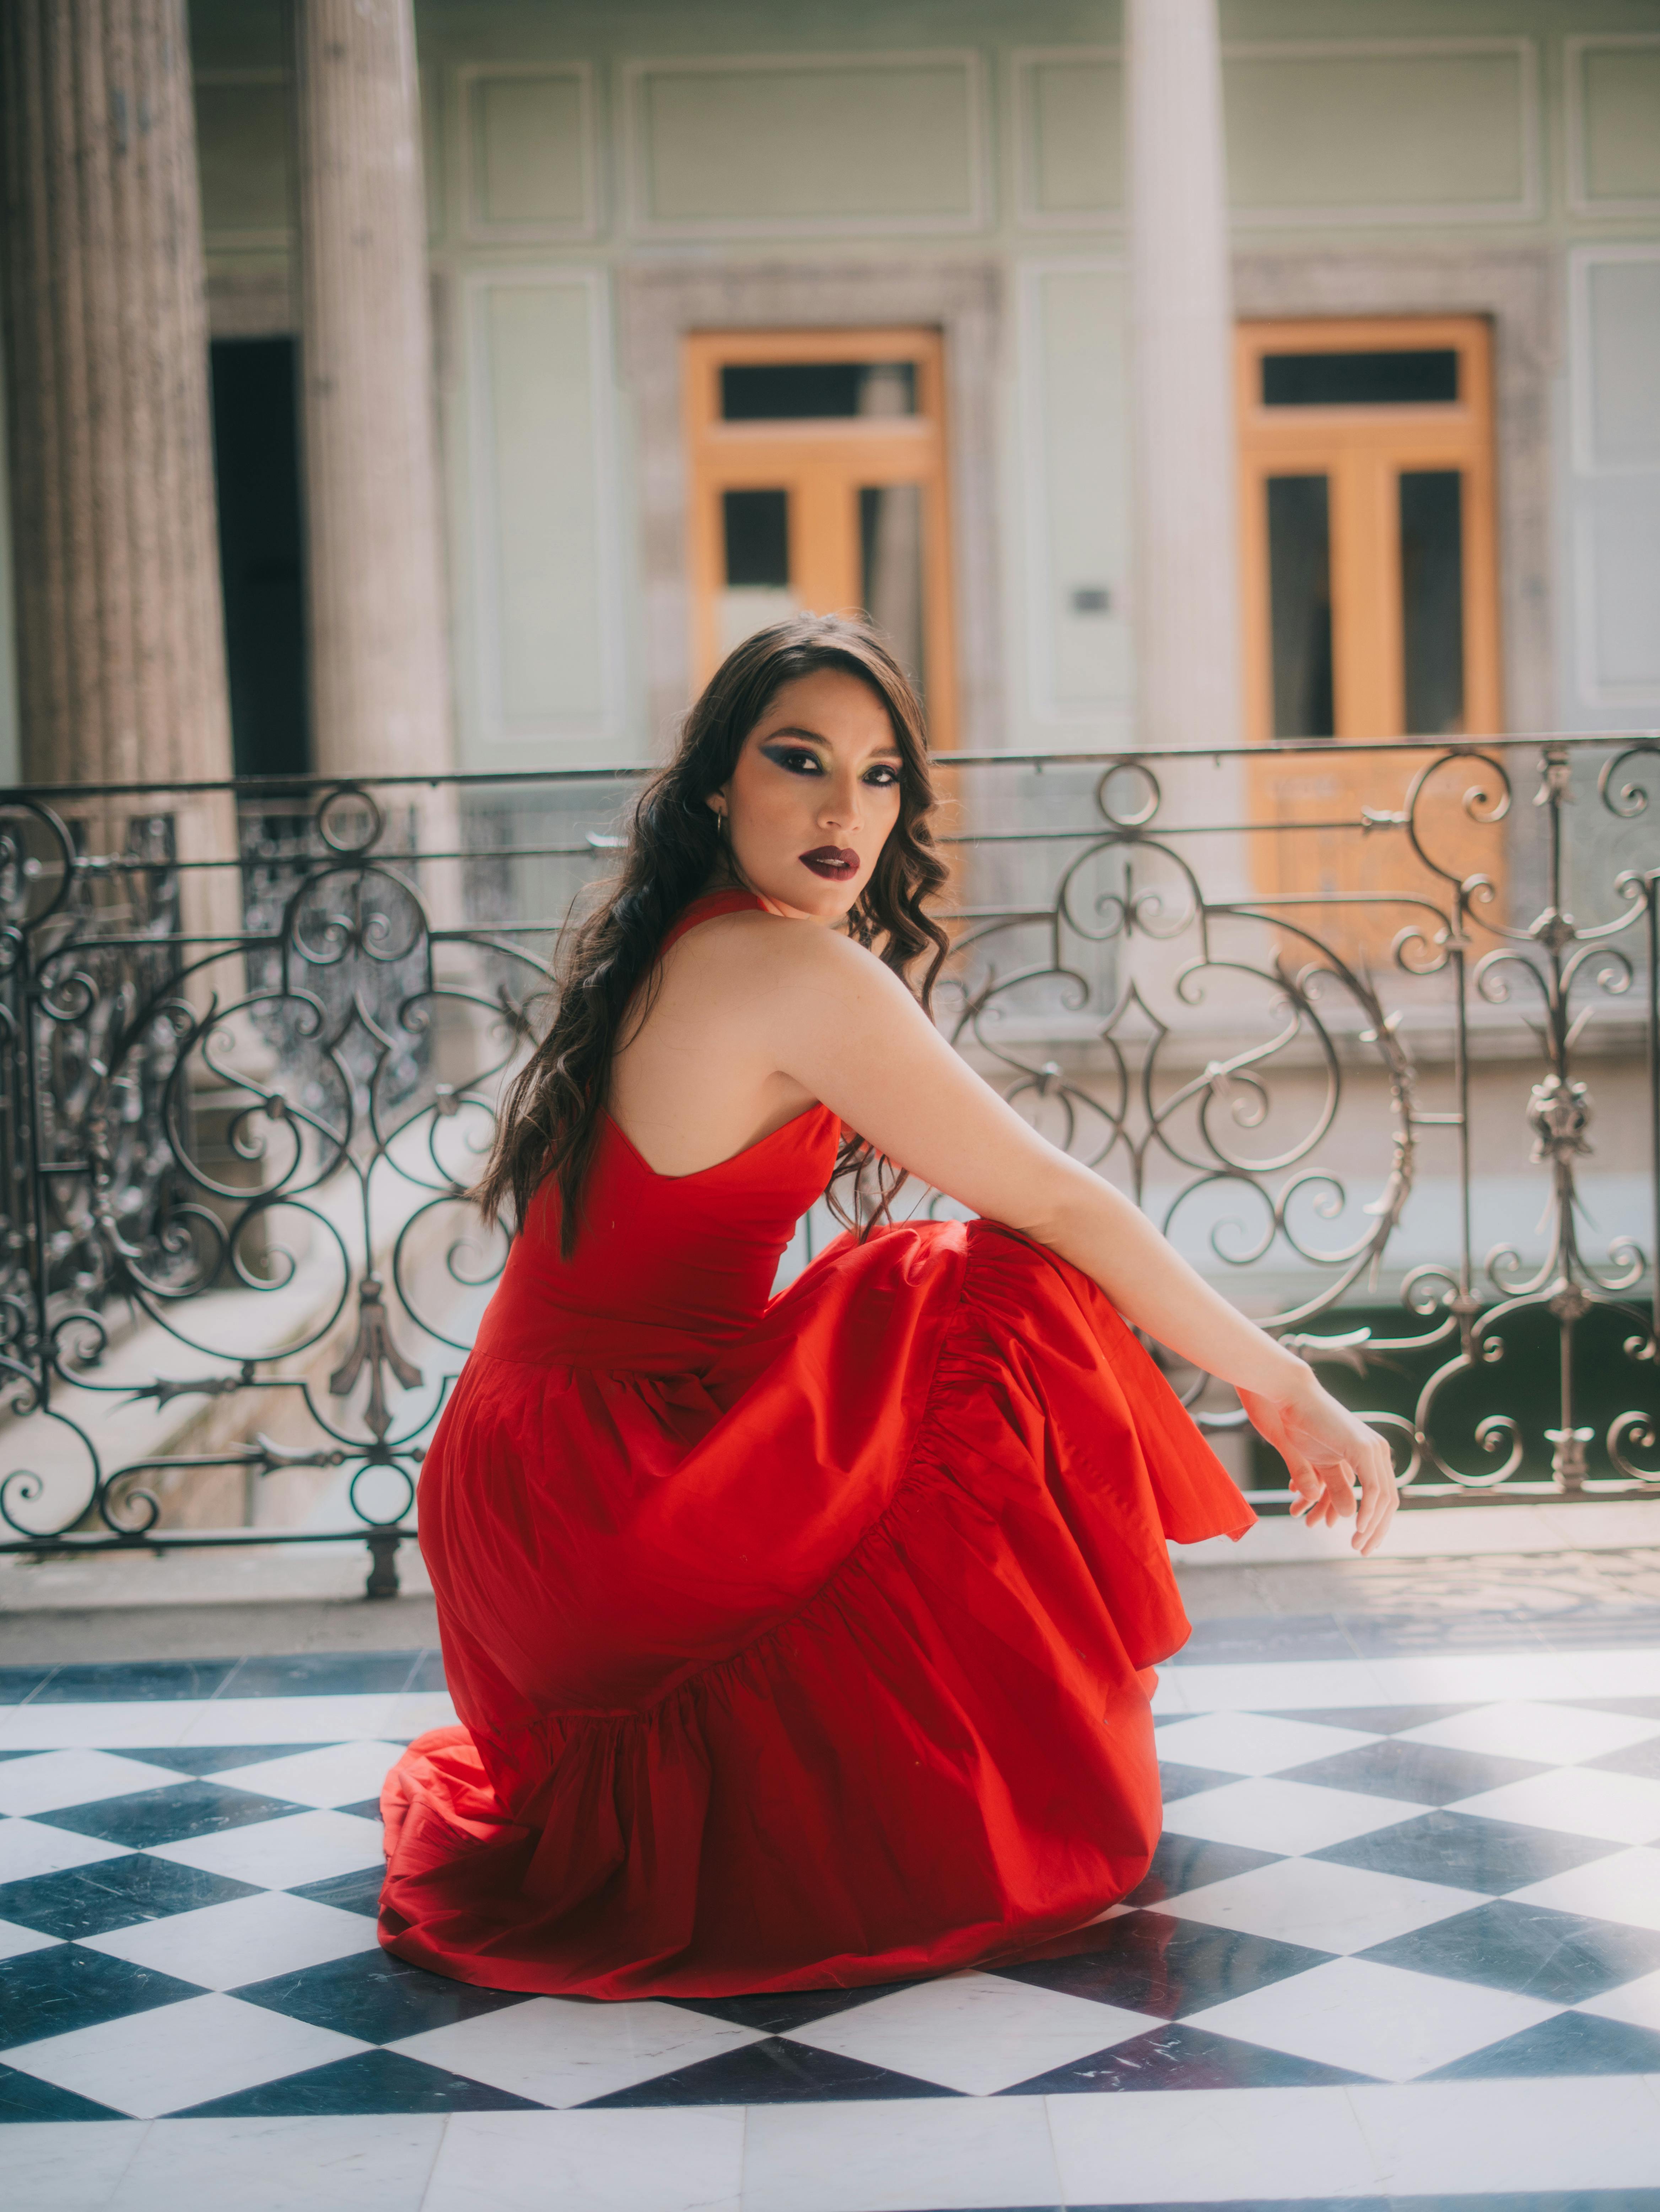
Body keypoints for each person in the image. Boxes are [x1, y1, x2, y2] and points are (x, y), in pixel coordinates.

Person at [379, 614, 1396, 2001]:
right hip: (595, 1500)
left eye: (878, 776)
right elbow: (1063, 1200)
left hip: (517, 1491)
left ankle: (964, 1740)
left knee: (919, 1284)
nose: (841, 807)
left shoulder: (689, 937)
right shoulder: (789, 964)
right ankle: (1020, 1760)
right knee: (990, 1287)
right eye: (798, 759)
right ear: (716, 786)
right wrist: (1287, 1384)